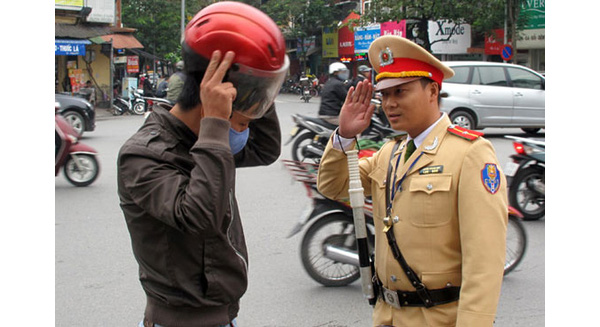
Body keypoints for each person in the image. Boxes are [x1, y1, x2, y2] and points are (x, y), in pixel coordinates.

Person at [316, 35, 508, 327]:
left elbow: (484, 263)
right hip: (387, 316)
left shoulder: (470, 154)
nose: (390, 104)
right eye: (385, 95)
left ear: (432, 91)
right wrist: (344, 136)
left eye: (401, 92)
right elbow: (334, 185)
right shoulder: (390, 154)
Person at [117, 2, 288, 326]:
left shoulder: (209, 142)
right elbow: (201, 217)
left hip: (223, 317)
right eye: (242, 120)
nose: (249, 124)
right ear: (217, 93)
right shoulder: (142, 156)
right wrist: (215, 124)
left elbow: (265, 148)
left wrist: (258, 79)